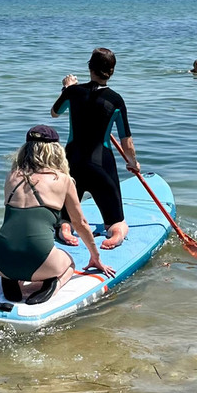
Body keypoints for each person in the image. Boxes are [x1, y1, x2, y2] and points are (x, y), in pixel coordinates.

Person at [0, 125, 115, 304]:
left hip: (0, 260)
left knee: (21, 252)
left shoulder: (12, 176)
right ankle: (51, 286)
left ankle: (12, 281)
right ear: (55, 151)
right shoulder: (62, 180)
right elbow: (80, 223)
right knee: (69, 264)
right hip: (40, 259)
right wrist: (95, 257)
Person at [50, 47, 140, 249]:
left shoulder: (73, 92)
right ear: (112, 71)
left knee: (65, 217)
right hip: (102, 166)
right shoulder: (116, 100)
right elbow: (127, 142)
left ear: (89, 67)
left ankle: (65, 229)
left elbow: (54, 112)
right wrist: (133, 163)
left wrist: (67, 89)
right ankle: (115, 235)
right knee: (116, 222)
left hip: (72, 163)